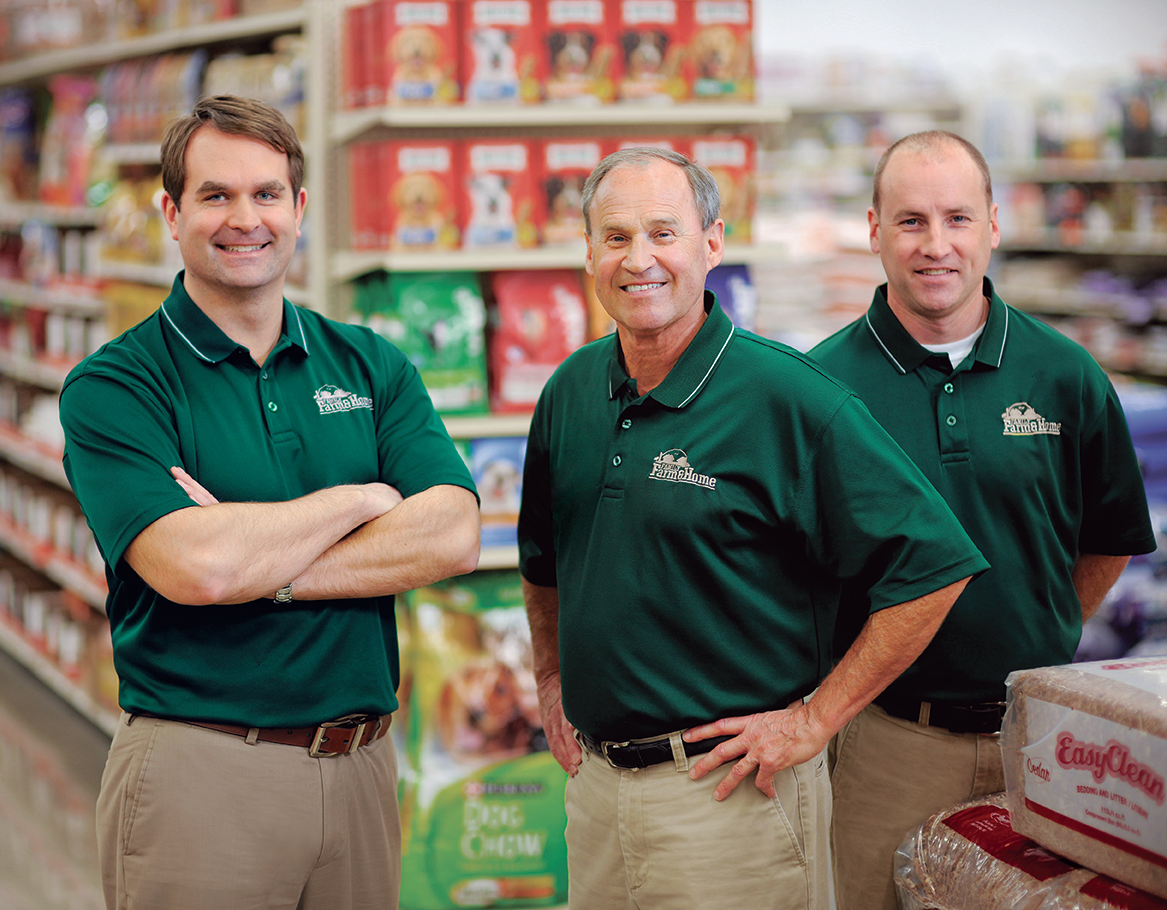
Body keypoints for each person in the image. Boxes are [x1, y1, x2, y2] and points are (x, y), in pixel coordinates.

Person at [516, 146, 991, 910]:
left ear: (712, 242)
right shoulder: (569, 391)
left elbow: (934, 567)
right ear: (588, 253)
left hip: (732, 804)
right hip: (597, 795)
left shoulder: (790, 399)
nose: (639, 259)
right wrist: (548, 677)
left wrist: (814, 720)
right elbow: (545, 560)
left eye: (663, 233)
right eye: (615, 237)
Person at [59, 95, 481, 910]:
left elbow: (453, 534)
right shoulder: (116, 385)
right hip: (204, 770)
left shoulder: (368, 362)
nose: (243, 219)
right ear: (170, 212)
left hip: (362, 766)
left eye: (265, 194)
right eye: (215, 195)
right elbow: (197, 565)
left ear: (300, 208)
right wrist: (361, 498)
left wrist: (270, 563)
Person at [810, 130, 1158, 910]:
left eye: (957, 219)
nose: (936, 246)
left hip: (1040, 741)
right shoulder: (819, 388)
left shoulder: (1065, 375)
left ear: (993, 225)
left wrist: (1039, 626)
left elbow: (1107, 540)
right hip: (885, 745)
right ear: (872, 230)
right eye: (910, 222)